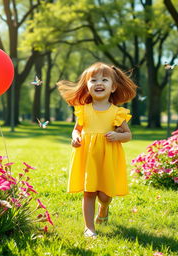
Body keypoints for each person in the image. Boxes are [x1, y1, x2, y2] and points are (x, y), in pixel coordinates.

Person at [57, 62, 137, 237]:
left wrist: (118, 136)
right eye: (93, 80)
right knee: (89, 192)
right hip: (88, 157)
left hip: (107, 158)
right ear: (87, 85)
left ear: (113, 87)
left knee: (105, 195)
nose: (98, 83)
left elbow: (128, 135)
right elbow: (76, 129)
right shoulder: (83, 111)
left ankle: (104, 207)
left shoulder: (117, 113)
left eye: (104, 80)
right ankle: (89, 228)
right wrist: (75, 137)